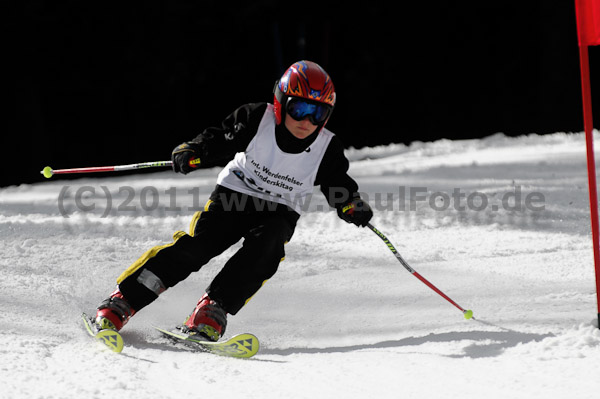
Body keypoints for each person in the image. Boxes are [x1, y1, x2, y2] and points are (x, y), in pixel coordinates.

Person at [91, 60, 373, 342]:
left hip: (281, 207)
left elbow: (338, 183)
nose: (306, 121)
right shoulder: (256, 119)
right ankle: (124, 300)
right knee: (200, 245)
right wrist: (194, 150)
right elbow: (218, 139)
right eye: (298, 109)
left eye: (317, 113)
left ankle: (212, 309)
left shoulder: (326, 147)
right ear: (280, 102)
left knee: (268, 246)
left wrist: (351, 204)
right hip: (236, 193)